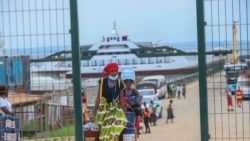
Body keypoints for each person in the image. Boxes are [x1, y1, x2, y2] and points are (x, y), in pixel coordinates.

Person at [92, 62, 127, 141]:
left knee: (115, 129)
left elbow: (121, 100)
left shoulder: (119, 83)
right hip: (103, 110)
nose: (114, 72)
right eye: (112, 71)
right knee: (104, 132)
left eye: (115, 70)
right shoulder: (102, 82)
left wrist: (124, 113)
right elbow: (98, 98)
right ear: (108, 72)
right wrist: (94, 112)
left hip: (115, 110)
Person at [121, 69, 142, 137]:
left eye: (130, 83)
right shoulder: (122, 91)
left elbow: (139, 101)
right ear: (125, 83)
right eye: (127, 83)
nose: (128, 84)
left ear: (132, 83)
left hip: (133, 113)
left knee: (133, 127)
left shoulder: (135, 91)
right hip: (123, 113)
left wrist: (131, 104)